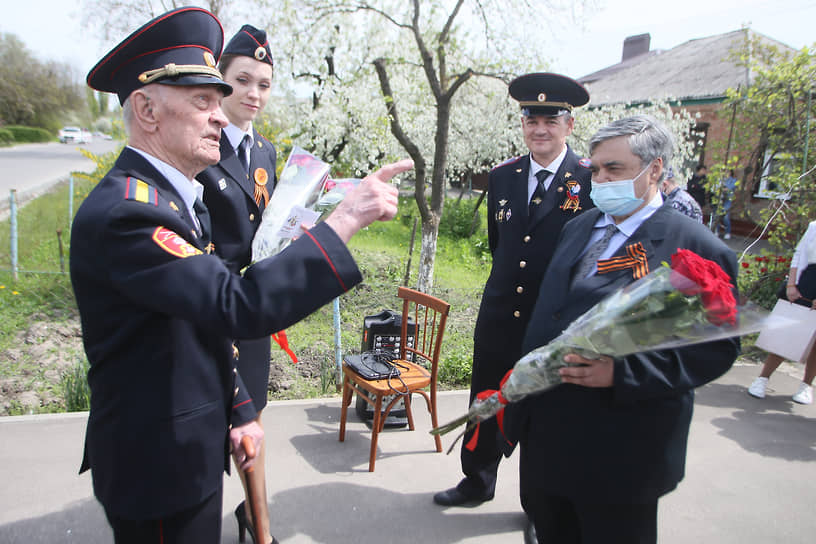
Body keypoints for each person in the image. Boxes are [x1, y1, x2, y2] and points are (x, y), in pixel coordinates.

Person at [71, 8, 410, 543]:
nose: (220, 115)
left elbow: (203, 326)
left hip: (190, 439)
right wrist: (346, 217)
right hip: (159, 461)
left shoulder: (176, 198)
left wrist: (241, 409)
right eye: (203, 101)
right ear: (147, 109)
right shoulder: (129, 214)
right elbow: (235, 304)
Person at [505, 115, 739, 543]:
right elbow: (552, 312)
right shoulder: (578, 227)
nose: (600, 178)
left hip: (621, 451)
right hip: (547, 438)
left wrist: (622, 374)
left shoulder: (695, 250)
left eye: (614, 169)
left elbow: (714, 350)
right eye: (595, 169)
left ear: (655, 169)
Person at [433, 72, 594, 516]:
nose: (539, 128)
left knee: (545, 415)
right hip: (501, 316)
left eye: (551, 119)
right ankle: (476, 480)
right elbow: (502, 246)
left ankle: (540, 500)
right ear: (522, 122)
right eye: (530, 118)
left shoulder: (588, 180)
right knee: (486, 400)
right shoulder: (503, 176)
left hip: (554, 323)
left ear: (569, 124)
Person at [195, 24, 278, 544]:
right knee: (212, 421)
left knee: (254, 421)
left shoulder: (265, 152)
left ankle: (256, 518)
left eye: (264, 84)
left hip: (254, 310)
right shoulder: (201, 142)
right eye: (243, 80)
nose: (253, 93)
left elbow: (263, 231)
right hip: (210, 304)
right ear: (222, 83)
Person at [747, 220, 816, 405]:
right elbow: (799, 255)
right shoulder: (814, 226)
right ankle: (762, 378)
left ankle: (806, 385)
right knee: (787, 334)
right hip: (806, 285)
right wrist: (791, 285)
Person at [714, 170, 737, 239]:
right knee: (717, 215)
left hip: (727, 200)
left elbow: (729, 188)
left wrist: (722, 188)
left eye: (727, 172)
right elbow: (715, 188)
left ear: (730, 173)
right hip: (719, 199)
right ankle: (716, 231)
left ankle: (727, 232)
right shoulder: (719, 180)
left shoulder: (733, 180)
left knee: (725, 217)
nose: (725, 173)